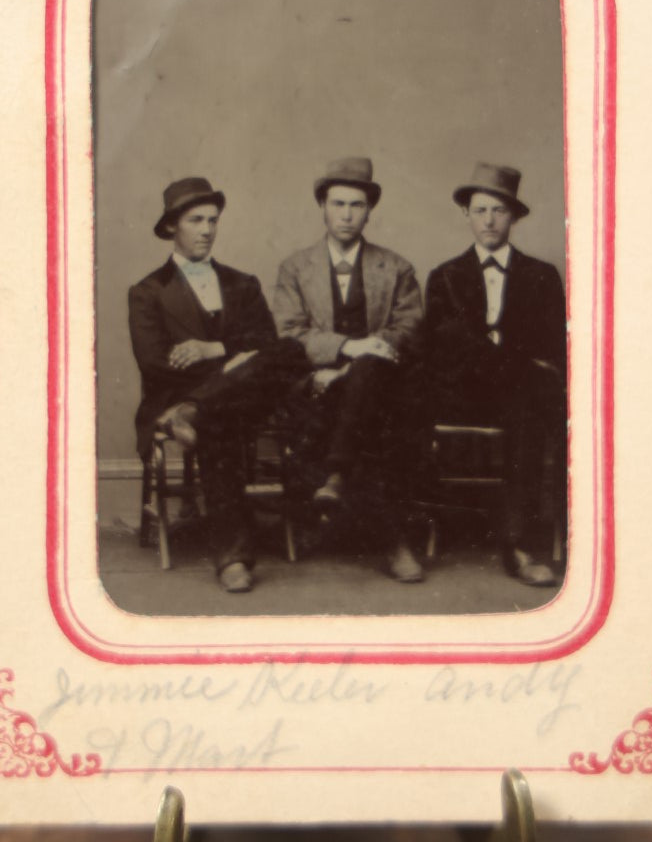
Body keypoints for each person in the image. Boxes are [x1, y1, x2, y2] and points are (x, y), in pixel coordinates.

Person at [128, 176, 306, 593]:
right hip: (180, 398)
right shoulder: (148, 292)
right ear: (173, 226)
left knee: (292, 351)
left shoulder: (242, 284)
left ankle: (194, 408)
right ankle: (233, 558)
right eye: (196, 220)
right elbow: (155, 363)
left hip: (221, 400)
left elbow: (267, 345)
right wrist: (234, 362)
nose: (207, 229)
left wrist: (214, 350)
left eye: (213, 220)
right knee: (220, 421)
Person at [272, 157, 427, 583]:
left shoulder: (396, 268)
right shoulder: (295, 268)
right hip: (317, 384)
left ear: (369, 211)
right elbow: (290, 333)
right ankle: (394, 544)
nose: (346, 214)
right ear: (322, 206)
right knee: (369, 415)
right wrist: (347, 350)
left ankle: (338, 474)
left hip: (379, 384)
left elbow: (409, 329)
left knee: (371, 388)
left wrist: (361, 363)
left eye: (356, 205)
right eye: (337, 204)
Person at [423, 162, 567, 587]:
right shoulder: (444, 277)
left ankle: (517, 543)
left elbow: (551, 345)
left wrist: (515, 366)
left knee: (527, 406)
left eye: (499, 211)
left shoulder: (542, 276)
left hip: (521, 395)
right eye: (480, 210)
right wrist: (508, 362)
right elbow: (444, 348)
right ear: (466, 214)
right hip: (465, 391)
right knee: (512, 379)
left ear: (514, 217)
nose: (489, 220)